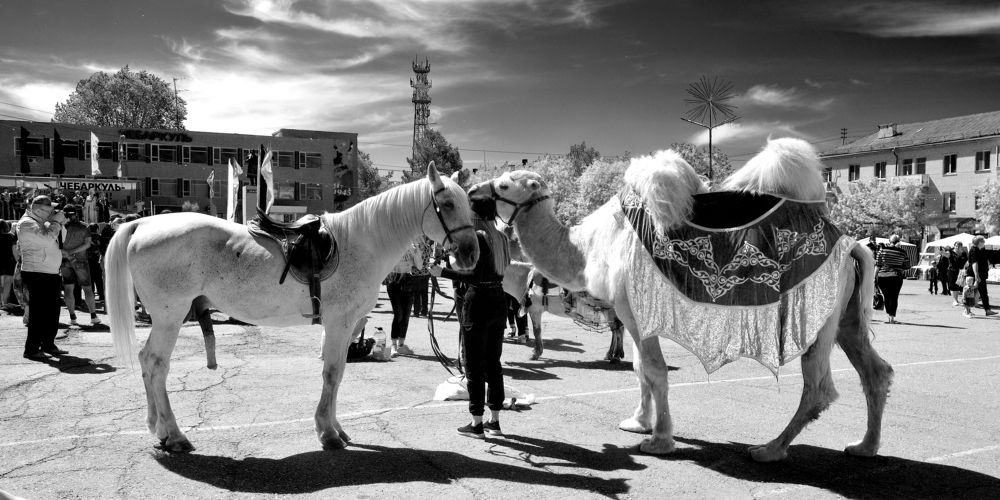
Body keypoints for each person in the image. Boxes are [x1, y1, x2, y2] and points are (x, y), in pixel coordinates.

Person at [430, 196, 511, 439]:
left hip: (479, 302)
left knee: (474, 364)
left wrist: (442, 272)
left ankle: (476, 423)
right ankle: (494, 421)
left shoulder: (478, 237)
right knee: (493, 363)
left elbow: (474, 276)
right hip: (499, 300)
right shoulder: (501, 238)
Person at [16, 195, 68, 359]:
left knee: (52, 312)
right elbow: (46, 240)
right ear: (38, 210)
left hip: (49, 272)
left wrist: (58, 223)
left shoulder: (41, 222)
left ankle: (48, 344)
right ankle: (31, 349)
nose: (53, 212)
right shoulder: (26, 224)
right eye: (49, 210)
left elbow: (62, 238)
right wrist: (56, 222)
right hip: (36, 272)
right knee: (38, 313)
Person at [59, 205, 101, 326]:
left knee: (68, 289)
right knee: (87, 288)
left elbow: (56, 245)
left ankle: (72, 317)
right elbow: (87, 244)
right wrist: (73, 252)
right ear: (75, 214)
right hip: (80, 260)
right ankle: (93, 316)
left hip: (64, 260)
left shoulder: (59, 227)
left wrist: (67, 253)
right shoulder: (83, 227)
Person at [385, 244, 421, 357]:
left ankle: (401, 344)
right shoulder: (394, 244)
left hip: (408, 280)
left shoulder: (413, 247)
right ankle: (393, 345)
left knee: (406, 314)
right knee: (398, 313)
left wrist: (416, 253)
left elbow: (419, 266)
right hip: (393, 279)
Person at [875, 234, 909, 324]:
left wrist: (874, 277)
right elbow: (907, 266)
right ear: (898, 241)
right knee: (894, 297)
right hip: (896, 277)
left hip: (882, 276)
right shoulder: (903, 252)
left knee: (886, 296)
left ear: (889, 241)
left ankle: (888, 316)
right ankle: (892, 317)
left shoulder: (882, 250)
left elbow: (878, 265)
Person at [967, 235, 995, 316]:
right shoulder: (974, 250)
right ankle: (967, 311)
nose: (984, 242)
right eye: (983, 241)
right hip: (973, 274)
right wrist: (976, 275)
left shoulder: (981, 250)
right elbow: (974, 263)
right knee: (969, 292)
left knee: (984, 293)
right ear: (979, 242)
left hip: (981, 275)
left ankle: (988, 310)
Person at [0, 220, 17, 309]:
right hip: (9, 263)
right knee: (7, 283)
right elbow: (14, 250)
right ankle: (4, 303)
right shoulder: (11, 237)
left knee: (1, 284)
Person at [948, 242, 969, 307]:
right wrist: (942, 252)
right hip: (952, 271)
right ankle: (955, 300)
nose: (958, 247)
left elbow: (966, 261)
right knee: (953, 286)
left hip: (961, 271)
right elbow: (946, 254)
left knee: (959, 286)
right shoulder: (951, 252)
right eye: (956, 246)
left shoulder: (963, 253)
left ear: (961, 247)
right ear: (954, 246)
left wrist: (965, 268)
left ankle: (960, 300)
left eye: (959, 246)